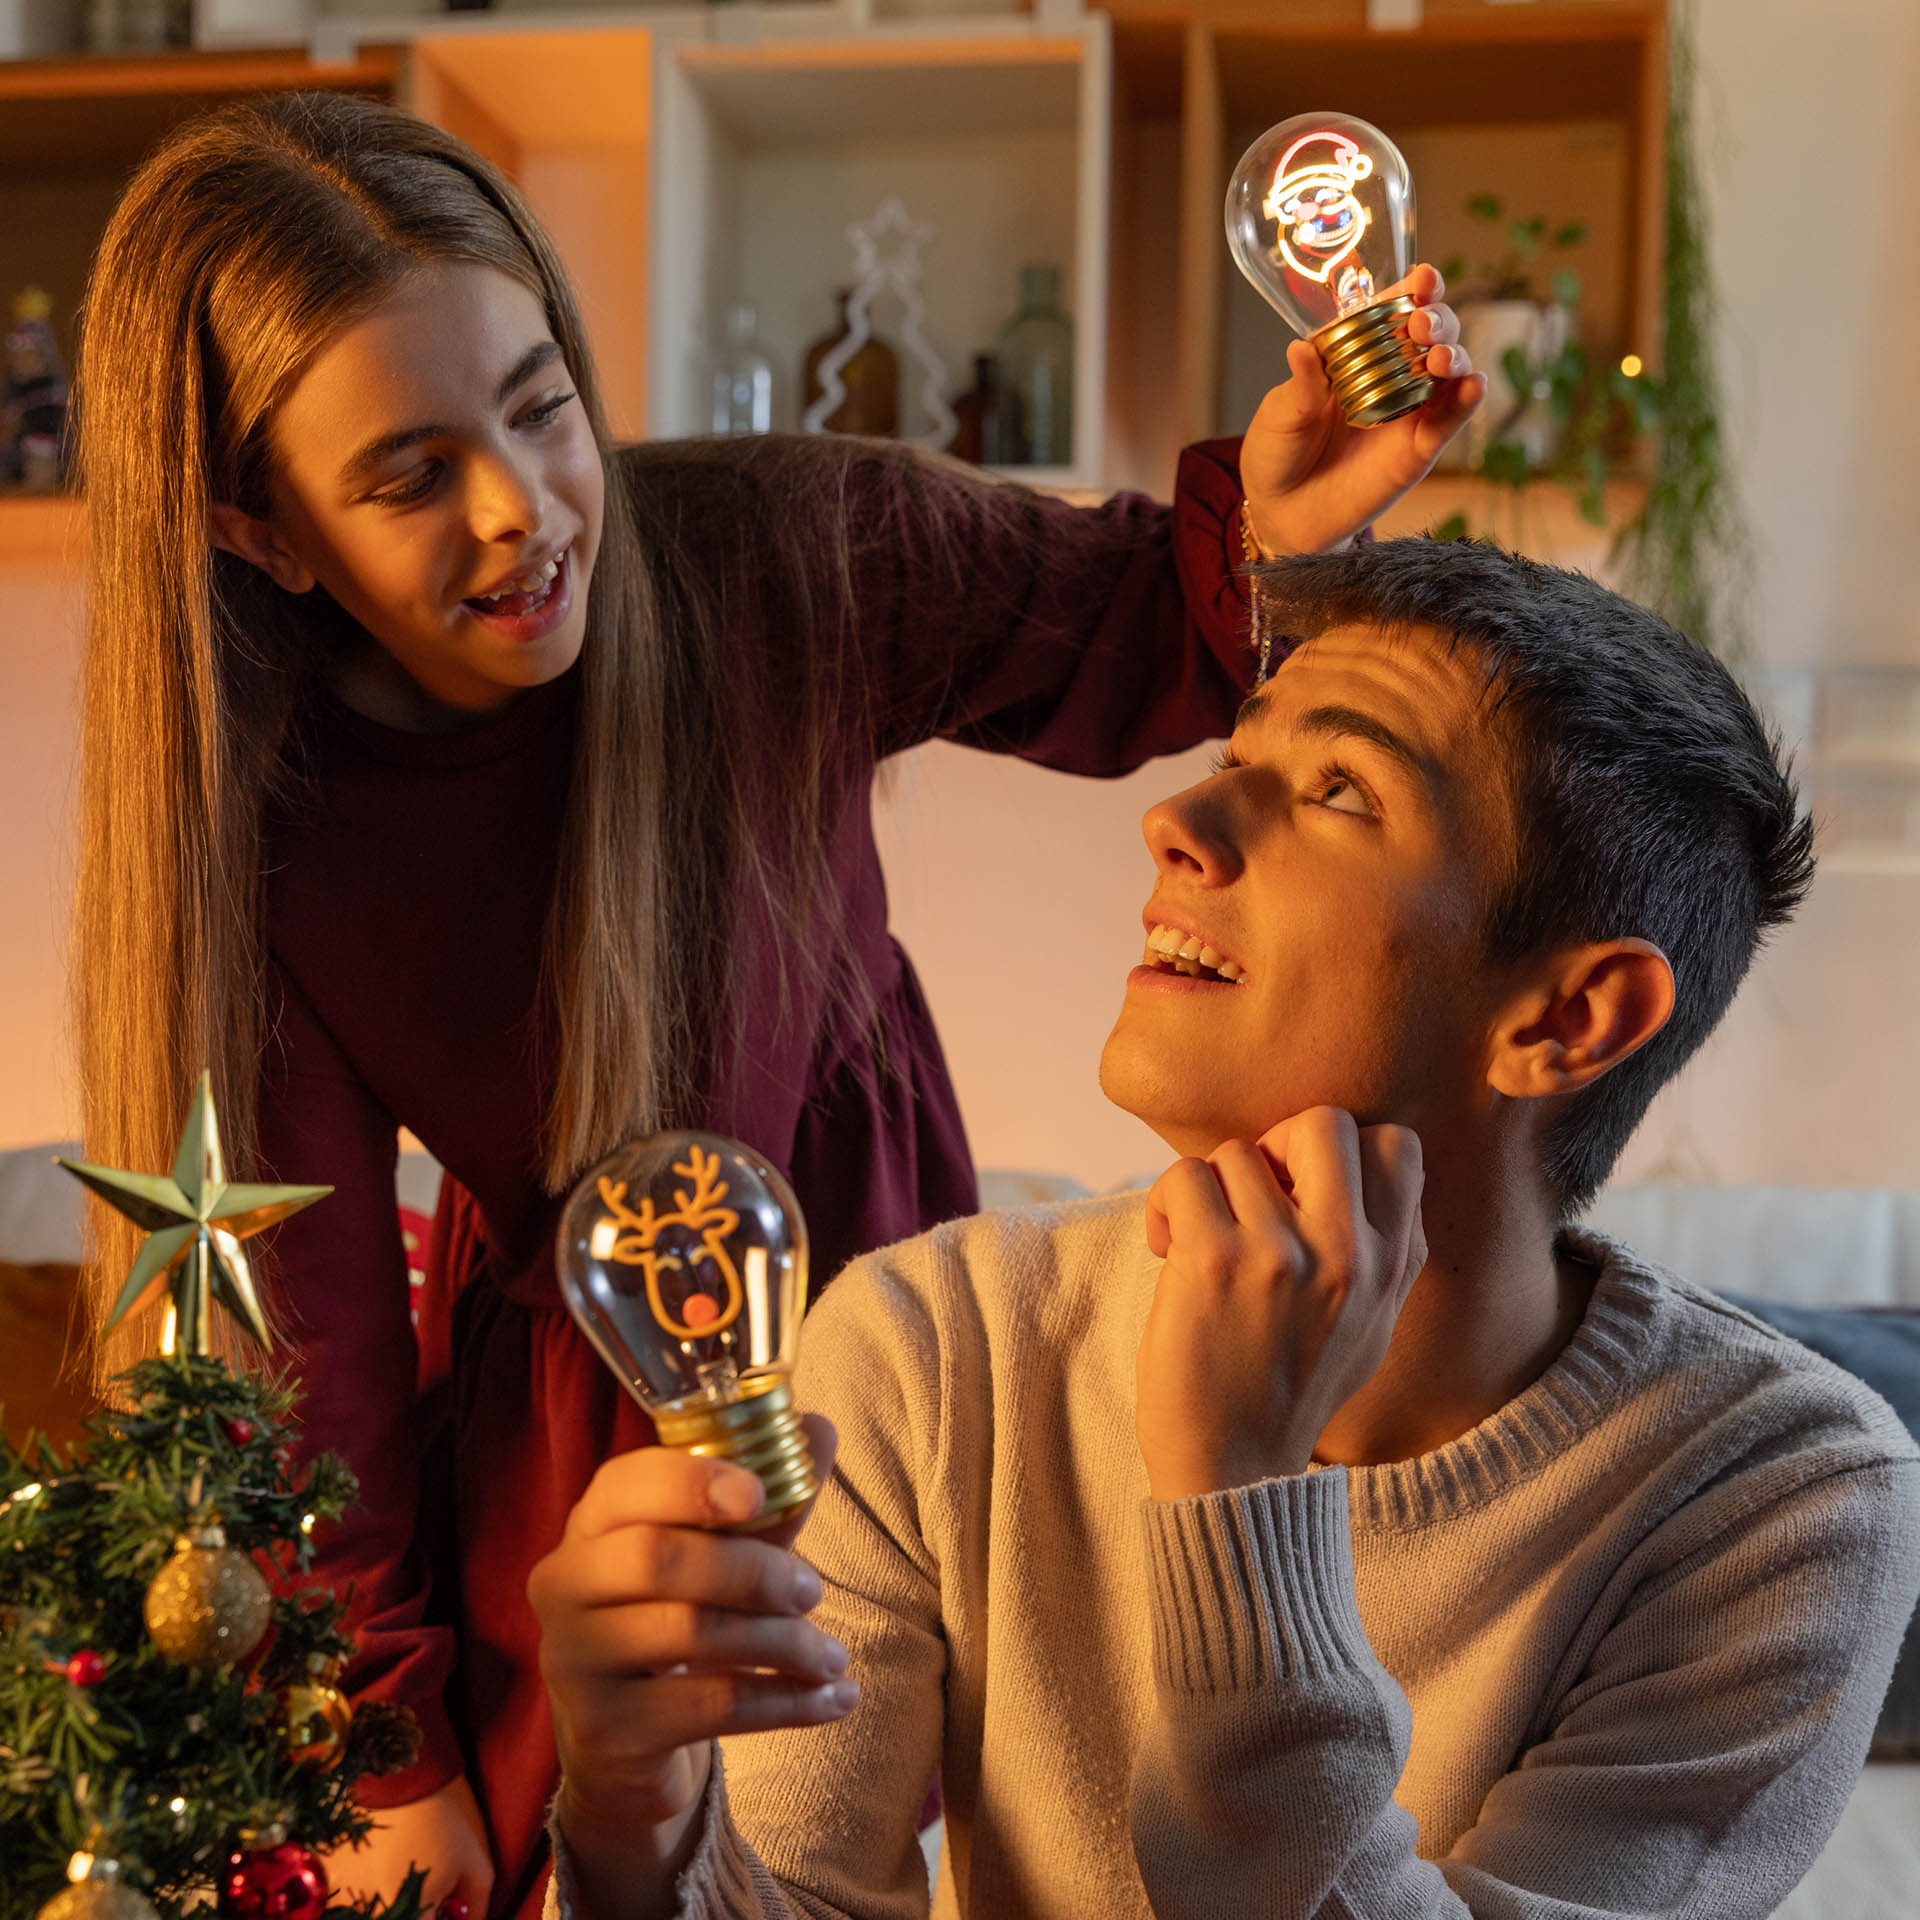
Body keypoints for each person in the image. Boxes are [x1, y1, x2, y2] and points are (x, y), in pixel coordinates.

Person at [68, 92, 1481, 1918]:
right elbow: (304, 1369)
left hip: (916, 1341)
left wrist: (1274, 515)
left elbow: (1123, 617)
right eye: (410, 478)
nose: (520, 512)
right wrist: (390, 1756)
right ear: (264, 533)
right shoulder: (271, 856)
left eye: (541, 408)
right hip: (589, 1468)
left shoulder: (788, 554)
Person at [528, 538, 1920, 1919]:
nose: (1176, 821)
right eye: (1234, 754)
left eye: (1340, 789)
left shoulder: (1790, 1502)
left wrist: (1238, 1507)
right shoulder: (938, 1339)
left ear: (1567, 1017)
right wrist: (634, 1815)